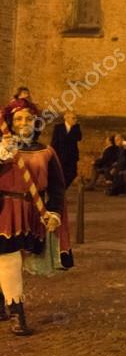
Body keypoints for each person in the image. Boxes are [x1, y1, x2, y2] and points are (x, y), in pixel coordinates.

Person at [0, 99, 74, 335]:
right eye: (19, 118)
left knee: (13, 260)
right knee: (10, 260)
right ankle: (17, 314)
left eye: (28, 118)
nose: (24, 123)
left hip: (33, 211)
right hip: (4, 211)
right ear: (10, 123)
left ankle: (3, 303)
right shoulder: (2, 148)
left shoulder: (46, 151)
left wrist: (53, 211)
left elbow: (57, 187)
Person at [50, 111, 83, 187]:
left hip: (72, 155)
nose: (75, 120)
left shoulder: (76, 127)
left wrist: (73, 128)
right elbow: (54, 141)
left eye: (76, 118)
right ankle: (61, 190)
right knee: (61, 174)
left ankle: (63, 188)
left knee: (73, 174)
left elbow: (79, 138)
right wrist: (52, 153)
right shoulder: (58, 127)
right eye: (73, 118)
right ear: (66, 118)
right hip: (61, 155)